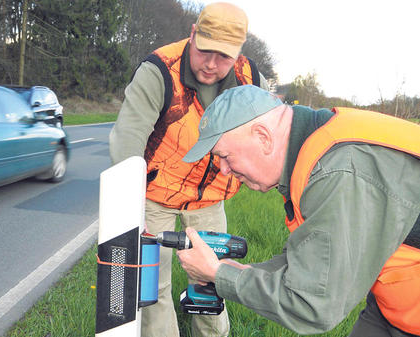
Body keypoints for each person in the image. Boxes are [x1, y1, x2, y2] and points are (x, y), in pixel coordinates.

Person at [178, 84, 420, 336]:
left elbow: (313, 304)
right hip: (395, 305)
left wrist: (219, 274)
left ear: (263, 137)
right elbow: (310, 259)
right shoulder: (314, 148)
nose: (224, 169)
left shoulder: (337, 173)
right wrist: (237, 272)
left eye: (225, 156)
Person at [109, 2, 270, 336]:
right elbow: (128, 138)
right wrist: (127, 211)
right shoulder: (159, 69)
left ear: (238, 54)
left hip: (209, 198)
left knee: (212, 280)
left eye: (223, 57)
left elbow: (273, 134)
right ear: (193, 34)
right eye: (204, 51)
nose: (211, 65)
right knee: (152, 290)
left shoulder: (251, 79)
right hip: (155, 195)